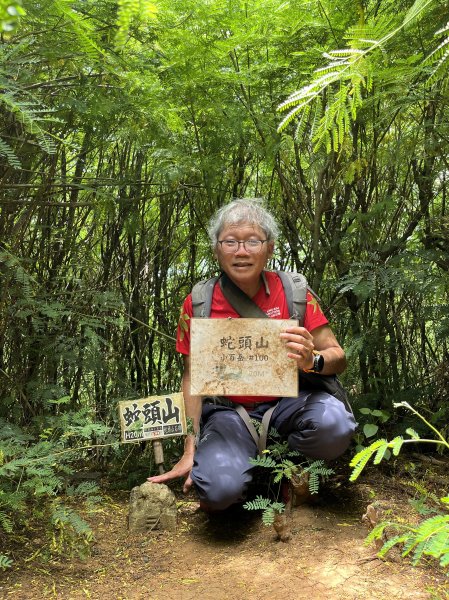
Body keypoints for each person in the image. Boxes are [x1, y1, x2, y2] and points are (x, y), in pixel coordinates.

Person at [148, 198, 356, 511]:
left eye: (252, 241)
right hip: (229, 413)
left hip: (290, 404)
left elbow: (337, 356)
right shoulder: (199, 303)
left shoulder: (294, 293)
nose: (241, 251)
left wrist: (311, 361)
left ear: (269, 248)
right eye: (230, 242)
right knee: (218, 493)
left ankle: (291, 469)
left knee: (335, 425)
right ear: (217, 249)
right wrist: (190, 447)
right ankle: (247, 480)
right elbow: (192, 376)